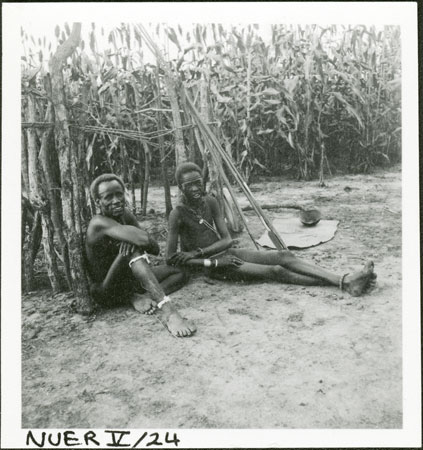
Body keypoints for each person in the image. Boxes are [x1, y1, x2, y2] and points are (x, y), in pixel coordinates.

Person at [166, 162, 377, 296]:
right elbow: (170, 258)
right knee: (275, 271)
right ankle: (345, 282)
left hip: (226, 254)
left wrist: (199, 252)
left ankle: (345, 280)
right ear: (181, 188)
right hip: (210, 266)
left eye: (197, 183)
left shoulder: (210, 202)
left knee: (283, 256)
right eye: (189, 185)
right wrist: (210, 261)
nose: (195, 188)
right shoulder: (177, 214)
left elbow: (227, 239)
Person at [85, 173, 196, 337]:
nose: (116, 200)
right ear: (98, 202)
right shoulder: (98, 223)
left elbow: (154, 247)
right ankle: (169, 312)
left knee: (181, 271)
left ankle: (142, 296)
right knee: (132, 249)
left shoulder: (126, 215)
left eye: (119, 194)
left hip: (129, 280)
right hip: (106, 290)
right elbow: (142, 239)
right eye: (108, 197)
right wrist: (134, 239)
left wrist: (134, 238)